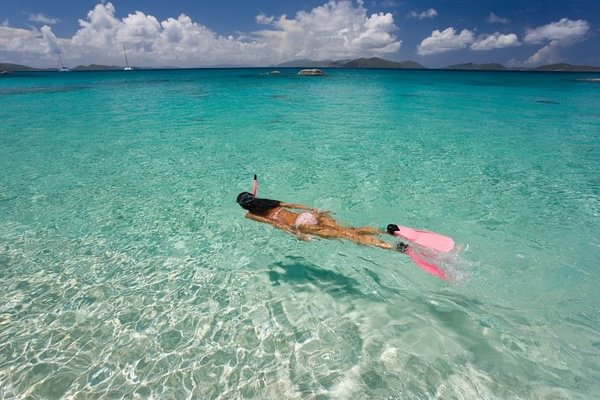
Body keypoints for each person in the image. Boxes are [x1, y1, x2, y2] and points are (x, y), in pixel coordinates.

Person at [236, 191, 396, 250]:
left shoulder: (250, 215)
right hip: (307, 215)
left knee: (346, 236)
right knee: (349, 229)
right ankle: (384, 231)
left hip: (302, 225)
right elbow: (292, 205)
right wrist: (314, 210)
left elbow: (276, 224)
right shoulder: (269, 202)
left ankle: (391, 246)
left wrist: (297, 234)